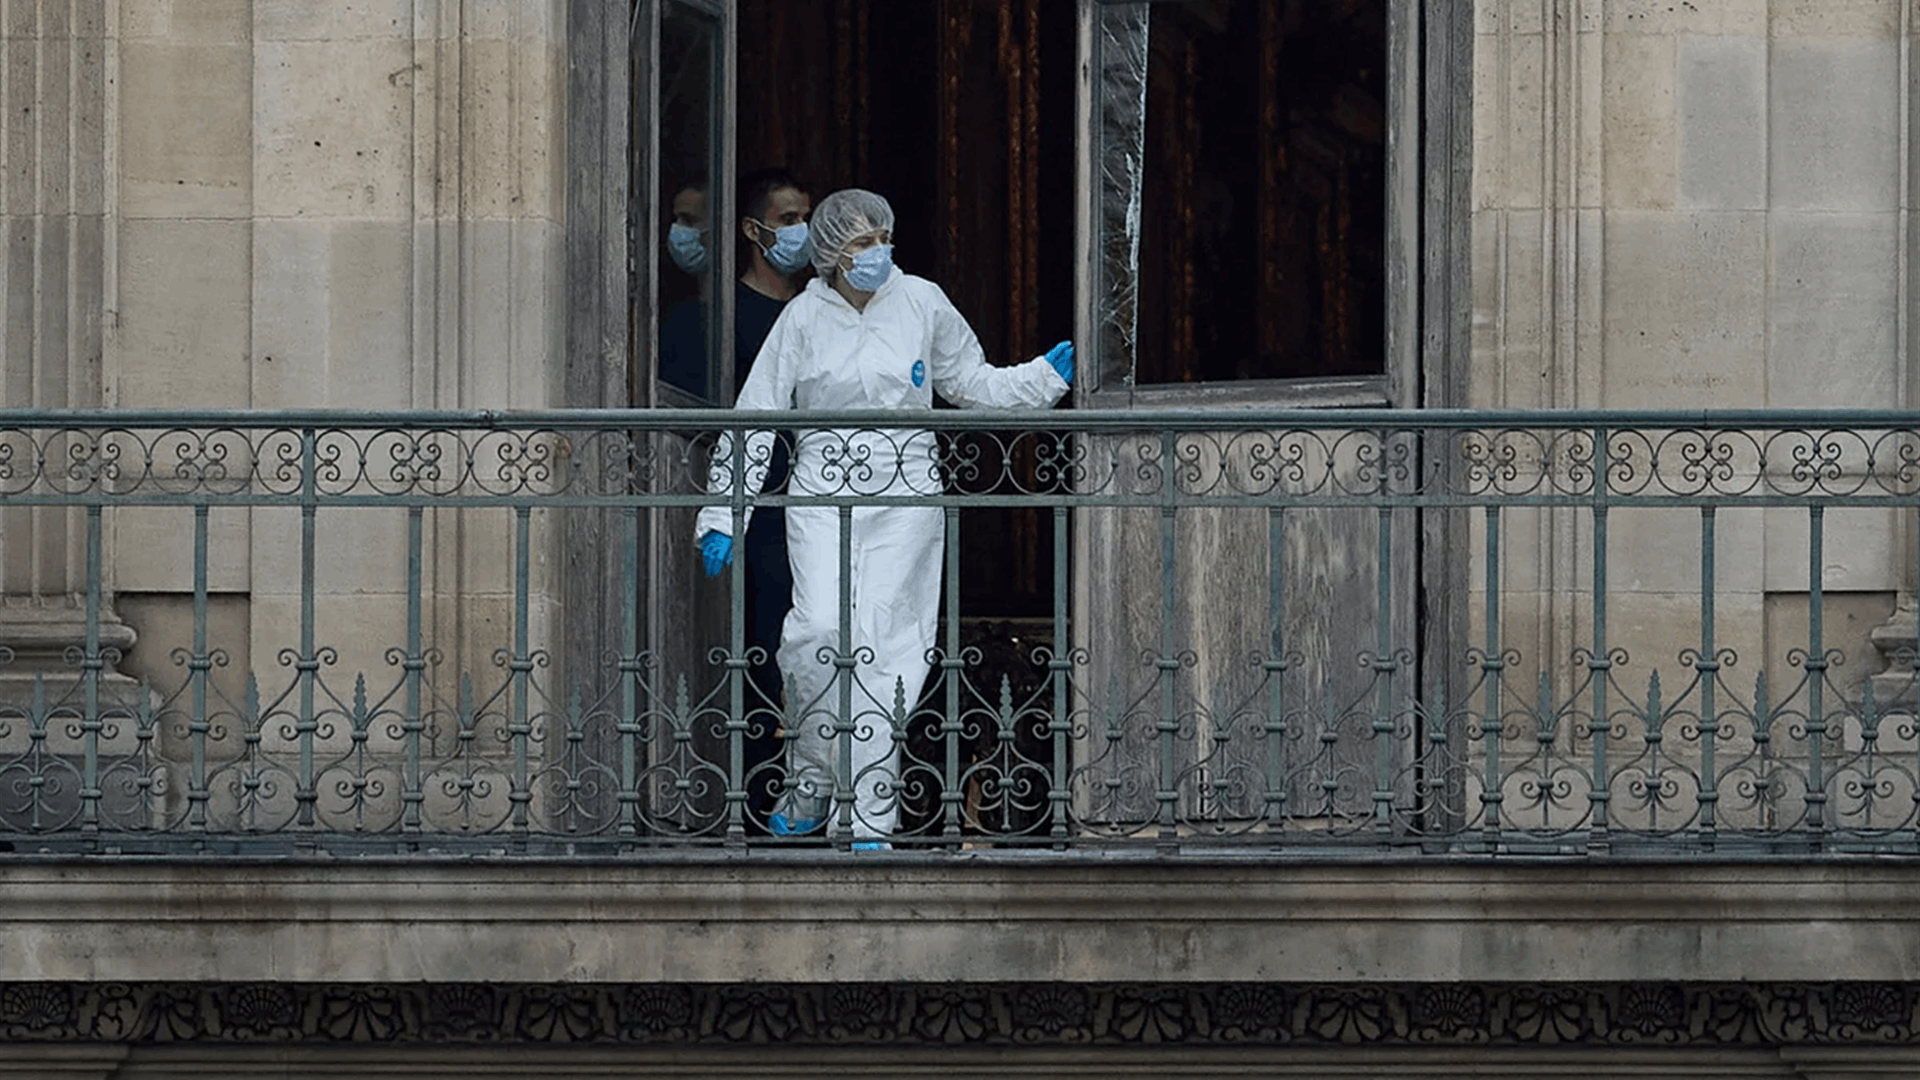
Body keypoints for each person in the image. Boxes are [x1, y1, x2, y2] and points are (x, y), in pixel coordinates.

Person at [695, 188, 1074, 849]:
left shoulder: (921, 300)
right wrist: (725, 512)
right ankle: (811, 782)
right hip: (822, 493)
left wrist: (1040, 380)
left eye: (881, 238)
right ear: (830, 251)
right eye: (860, 242)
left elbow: (970, 383)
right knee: (816, 634)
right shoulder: (804, 317)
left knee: (887, 651)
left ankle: (868, 813)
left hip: (906, 495)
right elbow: (758, 412)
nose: (874, 252)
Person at [730, 167, 813, 825]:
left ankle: (819, 796)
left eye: (805, 216)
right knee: (764, 650)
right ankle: (757, 798)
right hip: (761, 511)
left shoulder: (820, 310)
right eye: (788, 219)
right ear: (754, 230)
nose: (801, 231)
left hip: (819, 503)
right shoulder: (724, 315)